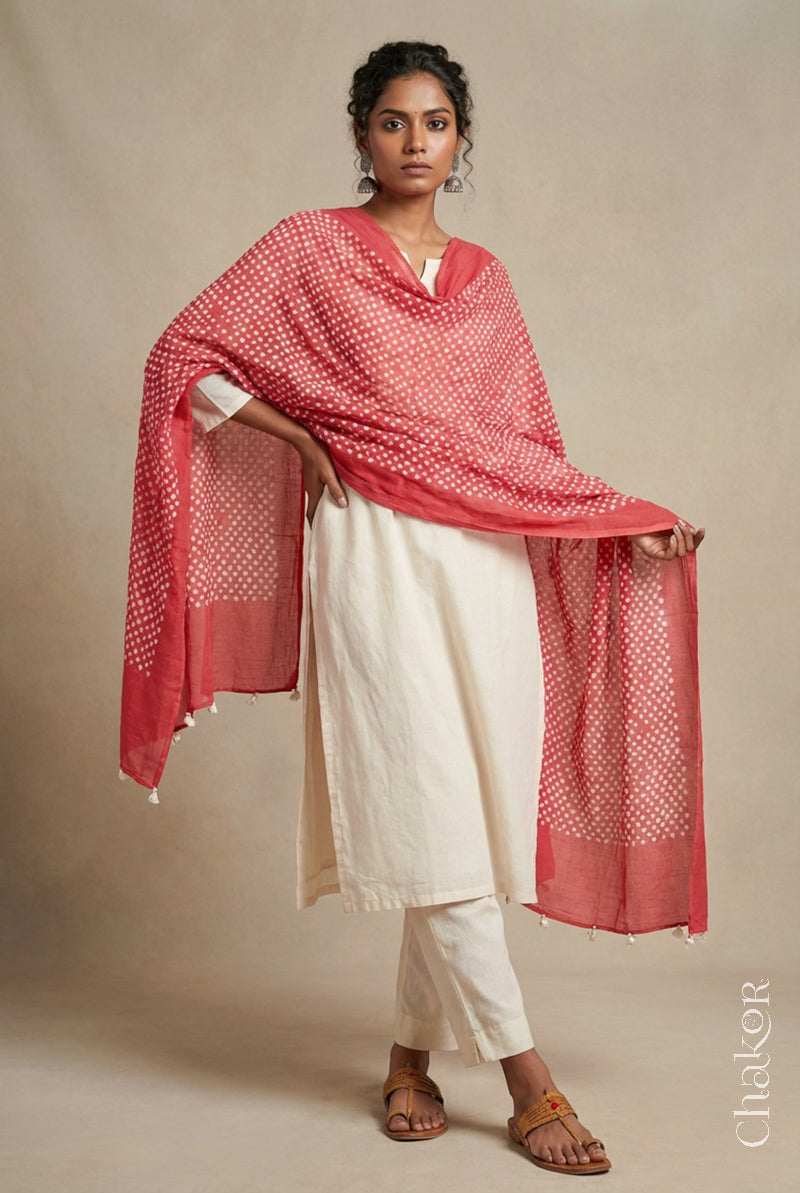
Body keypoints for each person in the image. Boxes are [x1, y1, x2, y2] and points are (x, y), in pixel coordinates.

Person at [121, 41, 706, 1175]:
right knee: (420, 787)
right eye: (392, 122)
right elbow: (178, 356)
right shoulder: (308, 250)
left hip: (481, 556)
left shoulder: (484, 279)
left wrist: (615, 517)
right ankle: (529, 1078)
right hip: (372, 549)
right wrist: (293, 433)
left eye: (435, 124)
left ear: (460, 140)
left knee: (465, 815)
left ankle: (406, 1054)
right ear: (359, 135)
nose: (414, 143)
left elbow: (524, 449)